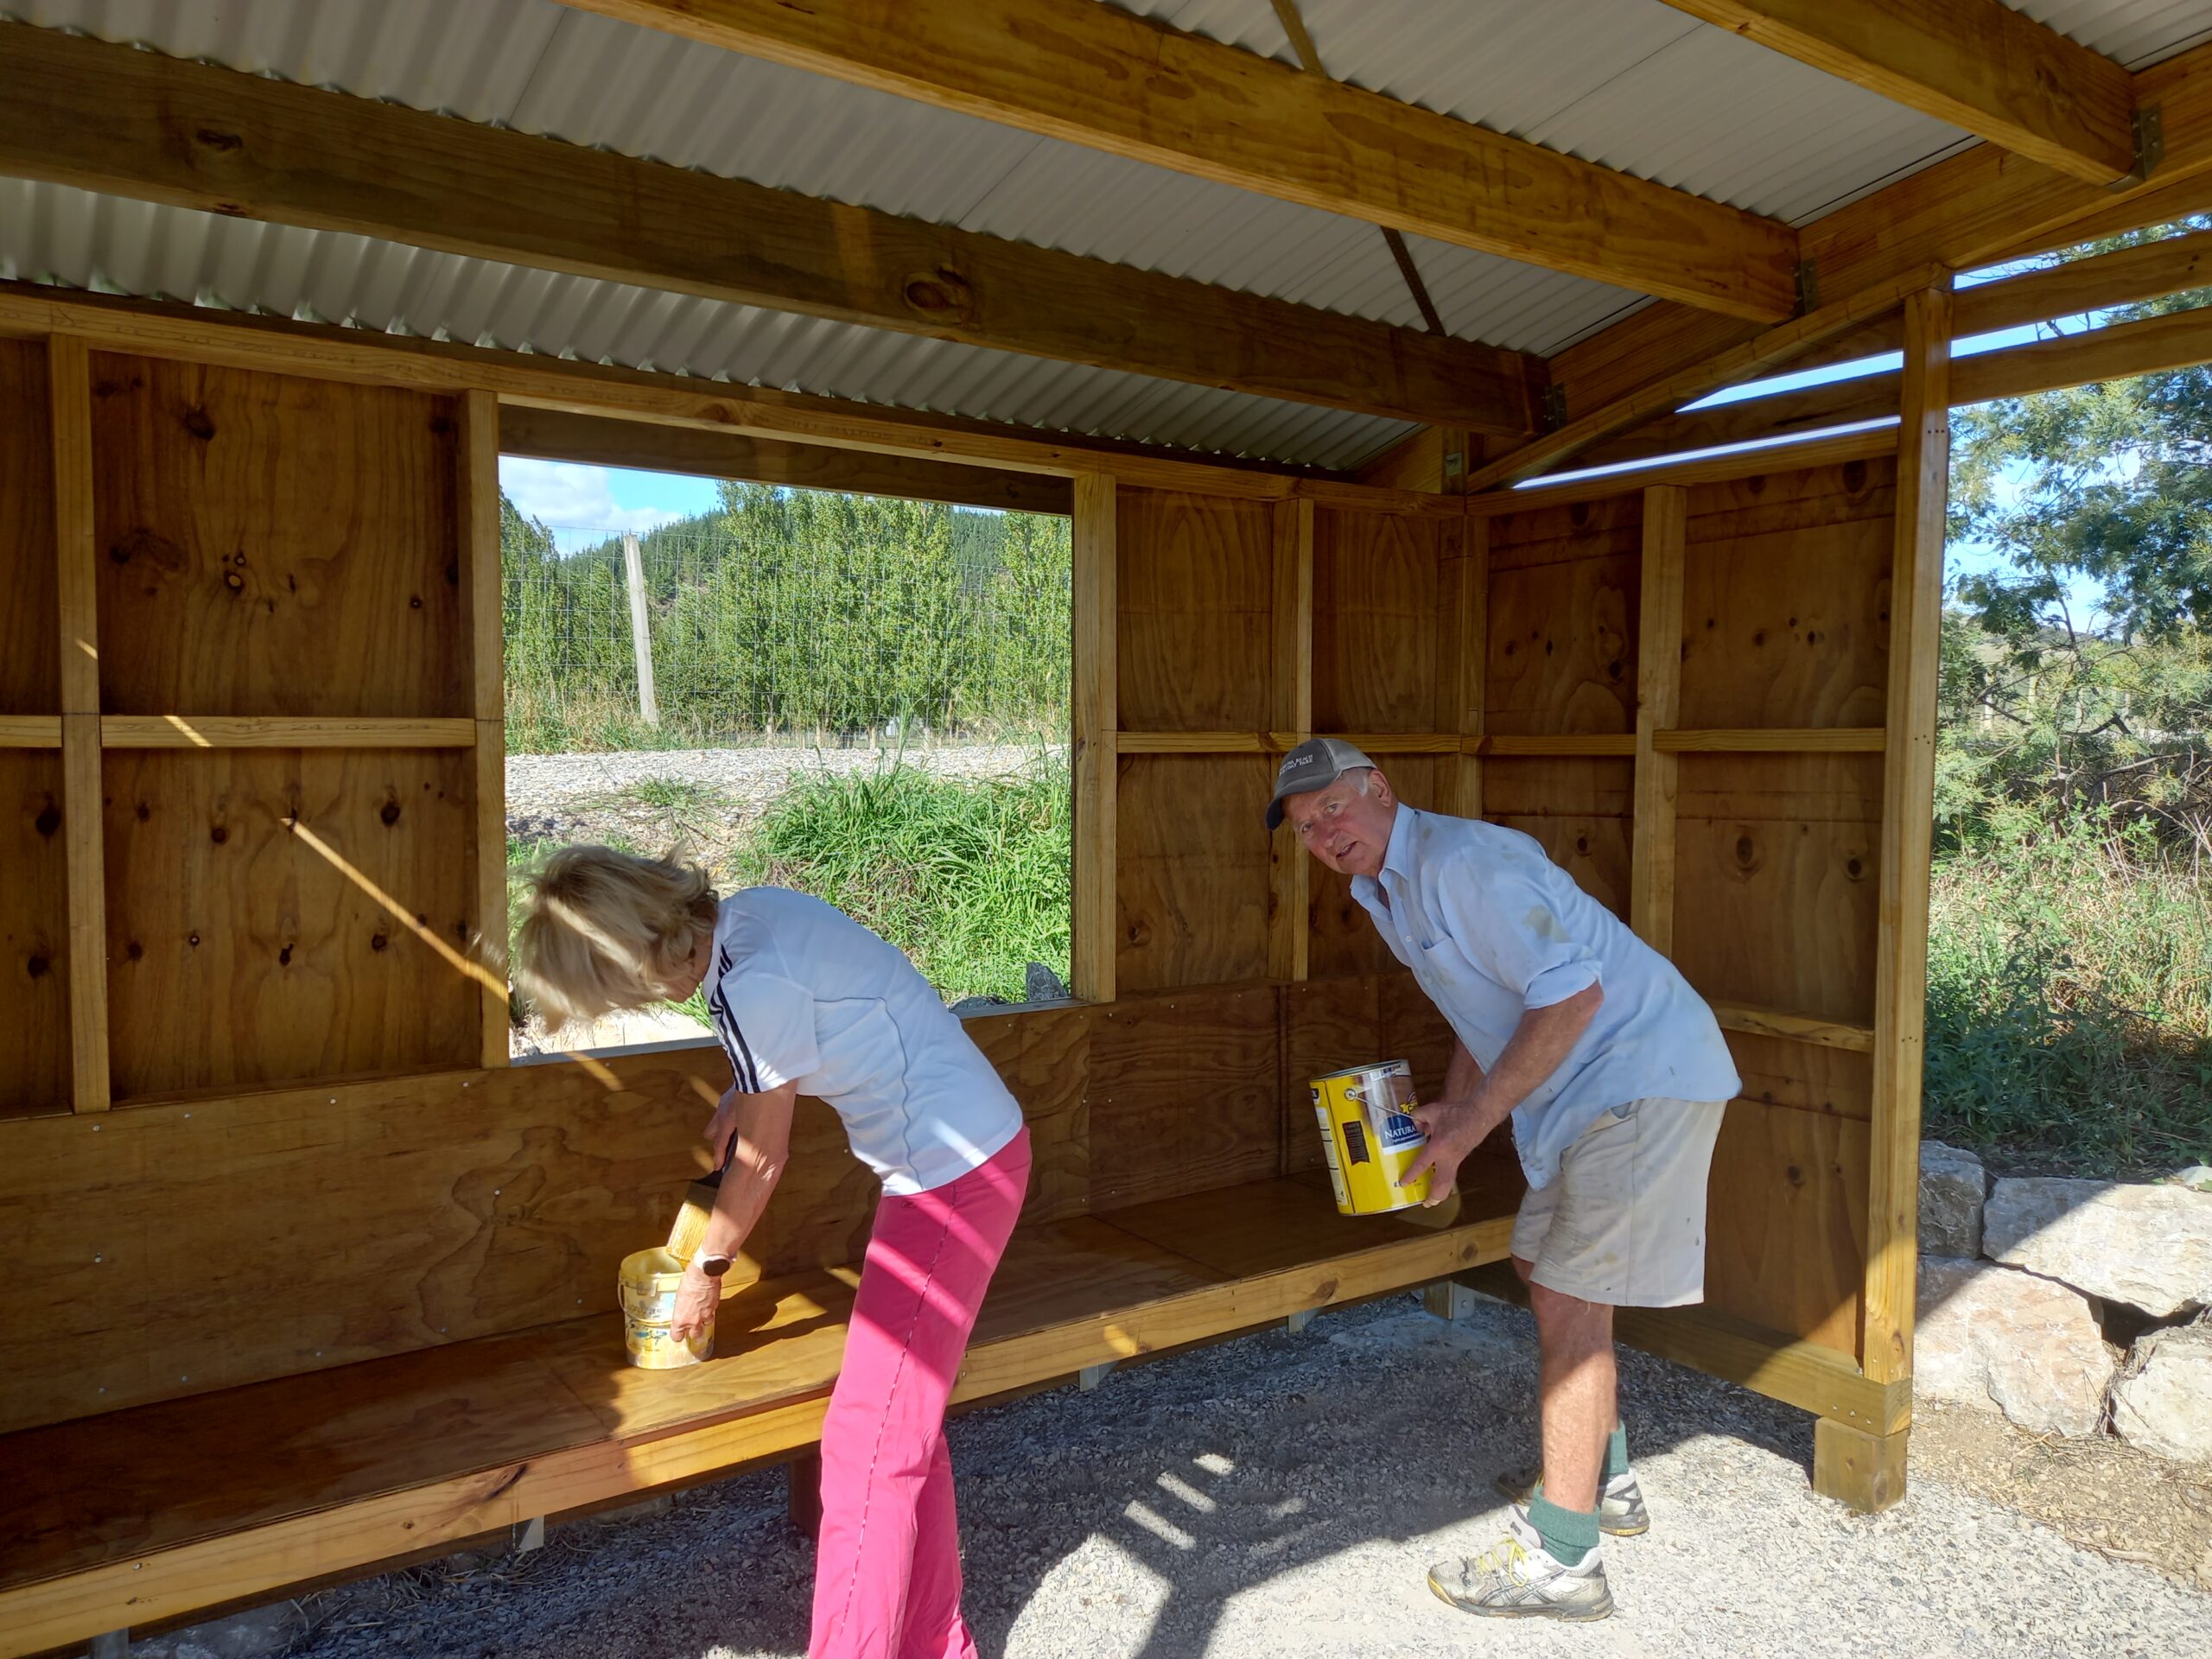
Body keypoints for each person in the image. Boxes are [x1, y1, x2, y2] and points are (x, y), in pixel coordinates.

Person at [1266, 738, 1739, 1623]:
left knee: (1567, 1296)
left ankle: (1564, 1561)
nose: (1324, 833)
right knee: (1539, 1272)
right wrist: (1454, 1111)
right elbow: (1481, 1001)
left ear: (1379, 789)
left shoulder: (1465, 864)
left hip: (1637, 1077)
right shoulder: (1384, 891)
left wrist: (1478, 1124)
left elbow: (1570, 998)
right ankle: (1605, 1479)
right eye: (1303, 826)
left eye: (1332, 808)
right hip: (1576, 1099)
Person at [515, 847, 1030, 1659]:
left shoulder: (748, 987)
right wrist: (742, 1092)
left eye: (620, 988)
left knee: (866, 1448)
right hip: (958, 1163)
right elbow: (825, 1010)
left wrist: (705, 1270)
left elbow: (761, 1161)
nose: (635, 1001)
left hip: (952, 1181)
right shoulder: (751, 919)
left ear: (644, 951)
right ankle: (934, 1640)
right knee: (902, 1432)